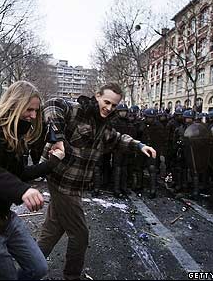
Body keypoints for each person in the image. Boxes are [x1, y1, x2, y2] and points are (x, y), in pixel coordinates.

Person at [37, 82, 156, 280]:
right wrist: (57, 137)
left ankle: (29, 269)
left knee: (53, 229)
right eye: (106, 102)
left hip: (74, 184)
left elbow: (118, 138)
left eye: (114, 105)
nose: (109, 108)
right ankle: (71, 276)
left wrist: (139, 145)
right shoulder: (78, 110)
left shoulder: (104, 125)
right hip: (62, 181)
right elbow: (51, 104)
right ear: (97, 96)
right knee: (80, 235)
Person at [0, 81, 64, 280]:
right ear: (14, 104)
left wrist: (52, 163)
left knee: (38, 268)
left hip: (5, 219)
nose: (33, 116)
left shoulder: (17, 135)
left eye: (36, 111)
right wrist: (22, 191)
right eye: (29, 109)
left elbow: (19, 174)